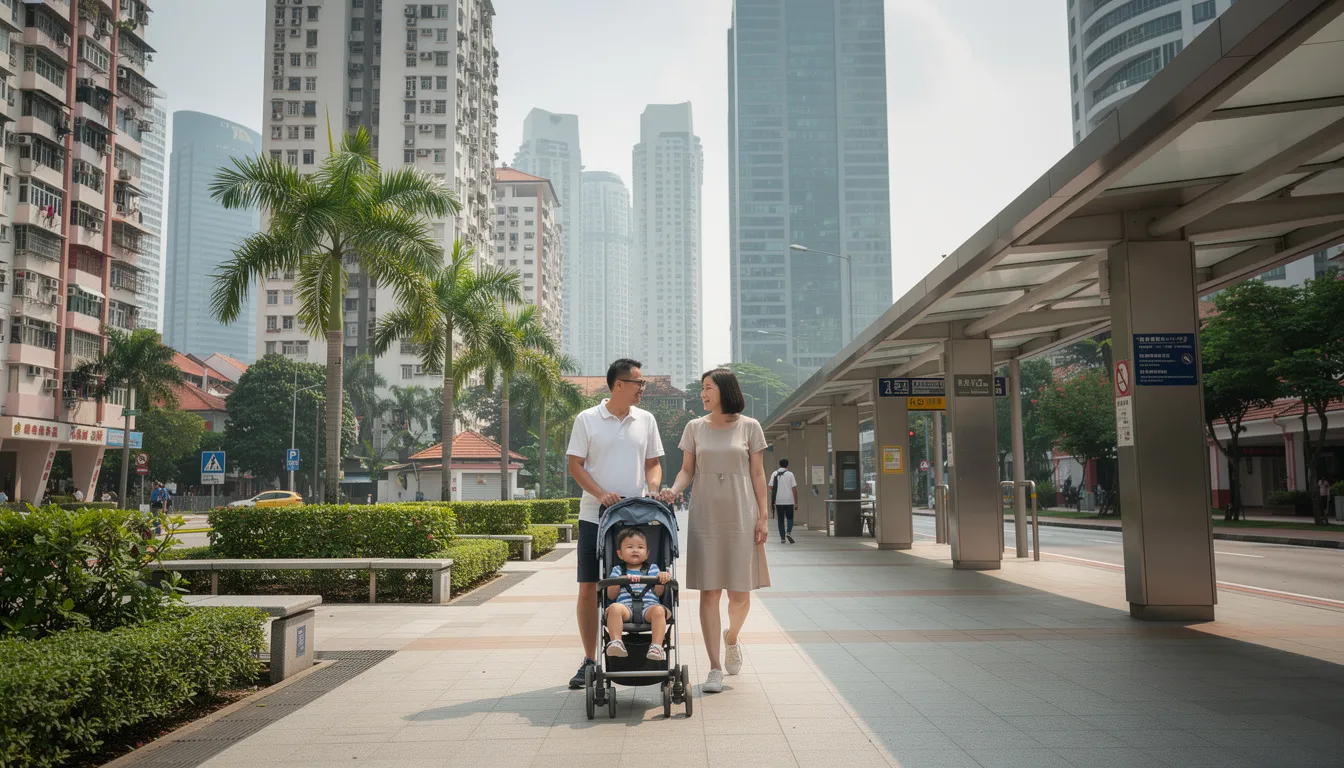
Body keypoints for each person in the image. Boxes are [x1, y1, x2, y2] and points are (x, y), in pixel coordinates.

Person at [659, 368, 770, 693]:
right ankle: (714, 668)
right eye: (703, 389)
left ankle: (732, 637)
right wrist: (674, 490)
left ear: (725, 390)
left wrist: (763, 517)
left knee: (739, 595)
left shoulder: (750, 427)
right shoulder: (694, 427)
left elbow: (759, 475)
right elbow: (686, 470)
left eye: (708, 389)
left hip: (741, 514)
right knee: (709, 592)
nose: (703, 394)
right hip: (705, 515)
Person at [565, 358, 664, 689]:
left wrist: (652, 491)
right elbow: (575, 465)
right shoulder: (588, 419)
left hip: (634, 520)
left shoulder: (646, 420)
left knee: (639, 582)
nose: (643, 389)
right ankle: (590, 659)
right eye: (639, 383)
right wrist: (601, 493)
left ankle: (643, 646)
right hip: (595, 517)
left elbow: (653, 464)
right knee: (588, 587)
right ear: (619, 384)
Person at [604, 528, 672, 661]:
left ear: (647, 554)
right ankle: (616, 642)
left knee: (659, 611)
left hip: (649, 608)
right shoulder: (617, 570)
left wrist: (662, 578)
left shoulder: (653, 569)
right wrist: (620, 580)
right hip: (625, 608)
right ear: (620, 554)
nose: (635, 550)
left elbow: (659, 592)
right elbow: (611, 595)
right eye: (629, 547)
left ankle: (657, 646)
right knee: (614, 608)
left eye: (640, 547)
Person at [769, 458, 797, 544]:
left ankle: (782, 537)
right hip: (789, 500)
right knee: (790, 518)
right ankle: (788, 532)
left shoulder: (774, 473)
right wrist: (796, 501)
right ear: (787, 465)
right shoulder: (790, 474)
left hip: (778, 500)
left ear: (779, 464)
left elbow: (770, 487)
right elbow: (794, 488)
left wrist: (774, 495)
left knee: (780, 519)